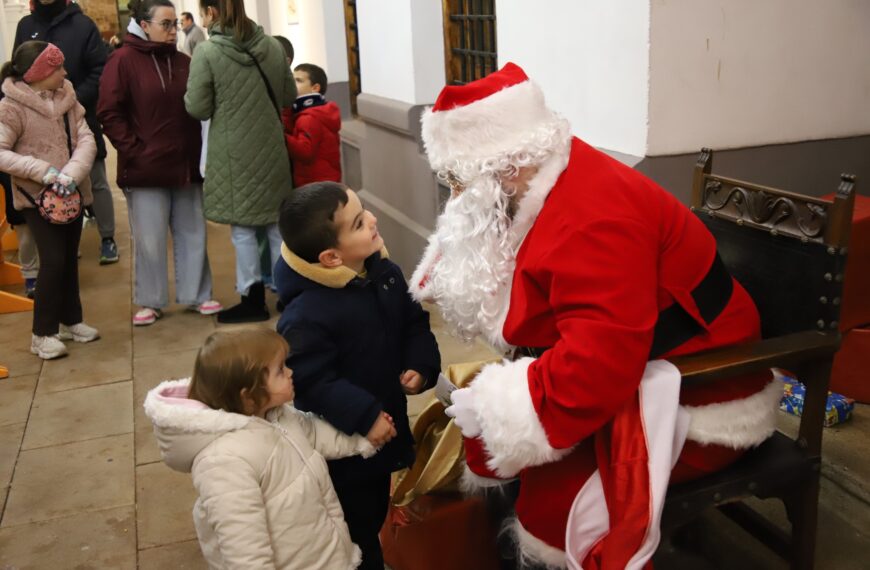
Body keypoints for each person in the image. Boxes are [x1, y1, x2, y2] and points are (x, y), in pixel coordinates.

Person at [410, 62, 781, 568]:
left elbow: (600, 366)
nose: (455, 197)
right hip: (641, 363)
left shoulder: (593, 220)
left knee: (554, 507)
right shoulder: (545, 179)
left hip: (703, 391)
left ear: (507, 164)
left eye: (459, 180)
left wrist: (504, 410)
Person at [275, 181, 441, 569]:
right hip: (346, 448)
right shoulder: (306, 316)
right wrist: (364, 416)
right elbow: (310, 382)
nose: (372, 220)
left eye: (364, 211)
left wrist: (421, 363)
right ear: (332, 257)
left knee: (374, 513)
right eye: (358, 222)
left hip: (382, 433)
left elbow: (413, 324)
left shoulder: (383, 274)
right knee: (354, 528)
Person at [144, 328, 379, 569]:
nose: (290, 373)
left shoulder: (276, 415)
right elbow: (244, 548)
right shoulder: (223, 461)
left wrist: (364, 438)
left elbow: (314, 433)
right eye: (280, 370)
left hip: (318, 551)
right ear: (248, 396)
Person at [98, 0, 221, 326]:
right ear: (144, 24)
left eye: (174, 25)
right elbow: (109, 111)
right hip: (145, 168)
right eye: (165, 24)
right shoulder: (122, 60)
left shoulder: (184, 61)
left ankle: (197, 294)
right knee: (149, 239)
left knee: (193, 232)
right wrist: (135, 150)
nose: (172, 30)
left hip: (185, 163)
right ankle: (150, 301)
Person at [185, 0, 295, 324]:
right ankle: (287, 296)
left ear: (211, 12)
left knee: (244, 231)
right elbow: (288, 96)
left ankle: (252, 299)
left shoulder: (207, 52)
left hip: (232, 152)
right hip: (272, 149)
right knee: (276, 226)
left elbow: (198, 107)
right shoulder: (273, 46)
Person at [0, 41, 99, 359]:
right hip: (36, 198)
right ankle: (42, 334)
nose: (65, 72)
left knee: (69, 258)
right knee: (53, 262)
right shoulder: (11, 107)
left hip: (71, 193)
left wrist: (72, 171)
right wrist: (43, 171)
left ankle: (72, 320)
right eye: (58, 67)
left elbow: (86, 136)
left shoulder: (67, 96)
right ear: (38, 72)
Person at [14, 0, 119, 266]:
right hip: (38, 127)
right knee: (50, 185)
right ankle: (64, 239)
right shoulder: (27, 25)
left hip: (78, 112)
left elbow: (100, 68)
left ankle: (108, 238)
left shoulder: (82, 24)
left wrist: (73, 101)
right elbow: (20, 70)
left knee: (94, 179)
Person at [283, 63, 341, 187]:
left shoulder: (309, 117)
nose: (292, 84)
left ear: (315, 88)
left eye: (298, 80)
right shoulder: (319, 111)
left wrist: (281, 136)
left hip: (314, 184)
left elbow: (305, 152)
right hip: (325, 180)